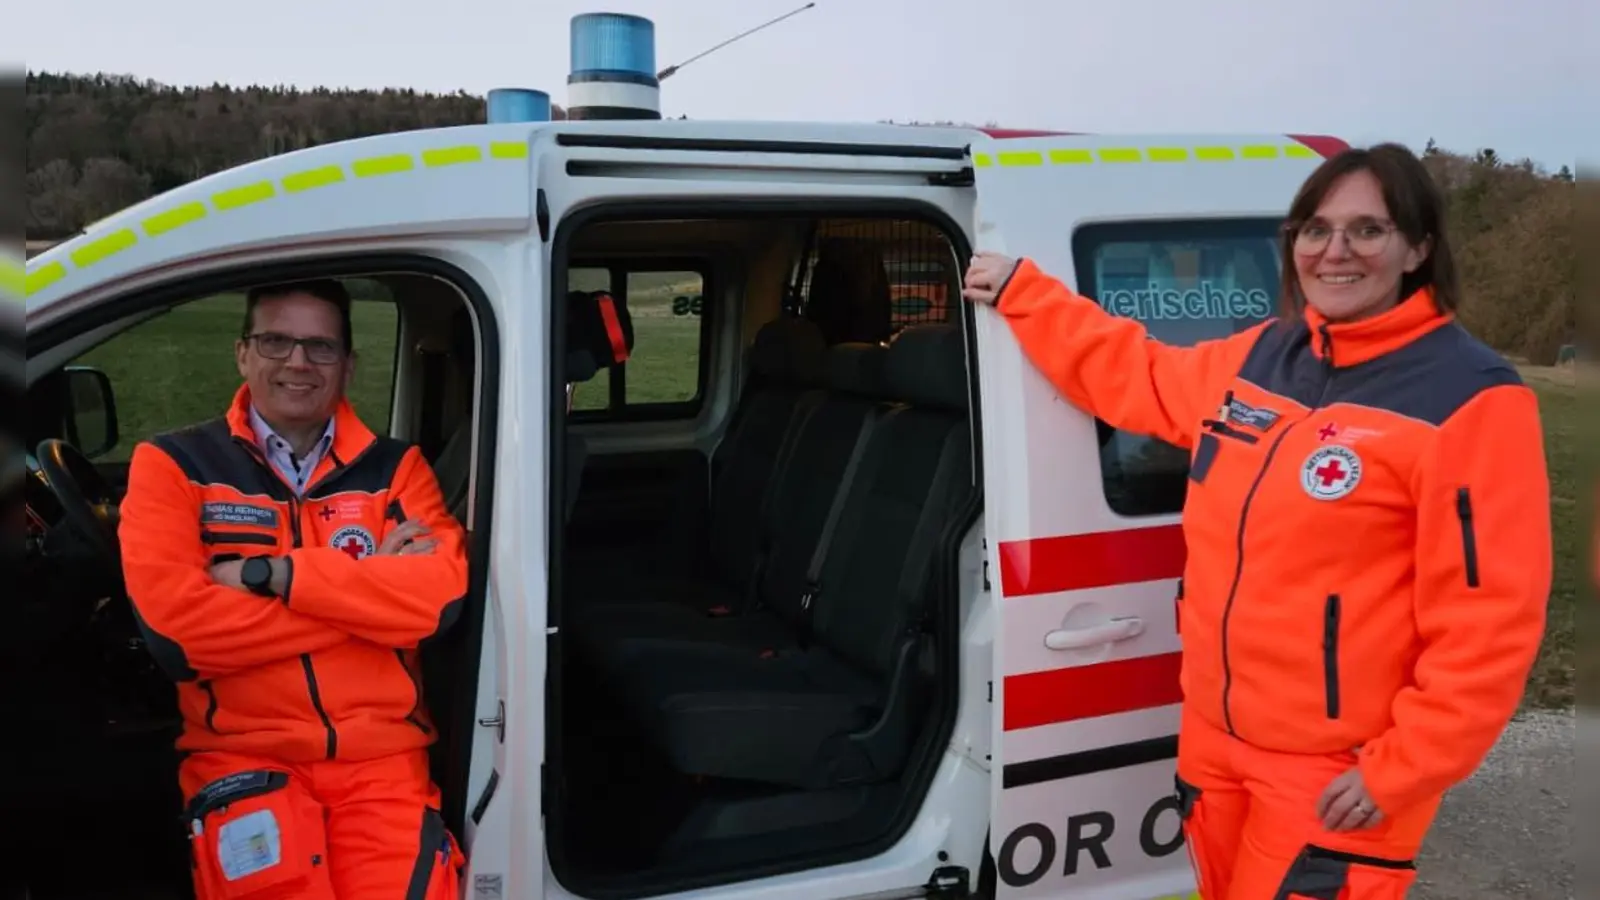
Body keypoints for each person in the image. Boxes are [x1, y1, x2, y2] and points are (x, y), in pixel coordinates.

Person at [962, 143, 1552, 898]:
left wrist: (1406, 767)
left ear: (1418, 247)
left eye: (1367, 230)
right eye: (1315, 229)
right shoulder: (1264, 356)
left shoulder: (1470, 399)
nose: (1335, 252)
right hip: (1216, 741)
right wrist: (1024, 293)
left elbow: (1490, 622)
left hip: (1333, 768)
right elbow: (1134, 373)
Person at [118, 279, 470, 899]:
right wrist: (370, 598)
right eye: (276, 341)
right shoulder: (171, 465)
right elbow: (179, 639)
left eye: (321, 346)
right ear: (243, 353)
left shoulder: (398, 468)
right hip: (244, 760)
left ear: (349, 364)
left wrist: (273, 577)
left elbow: (438, 603)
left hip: (383, 764)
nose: (298, 363)